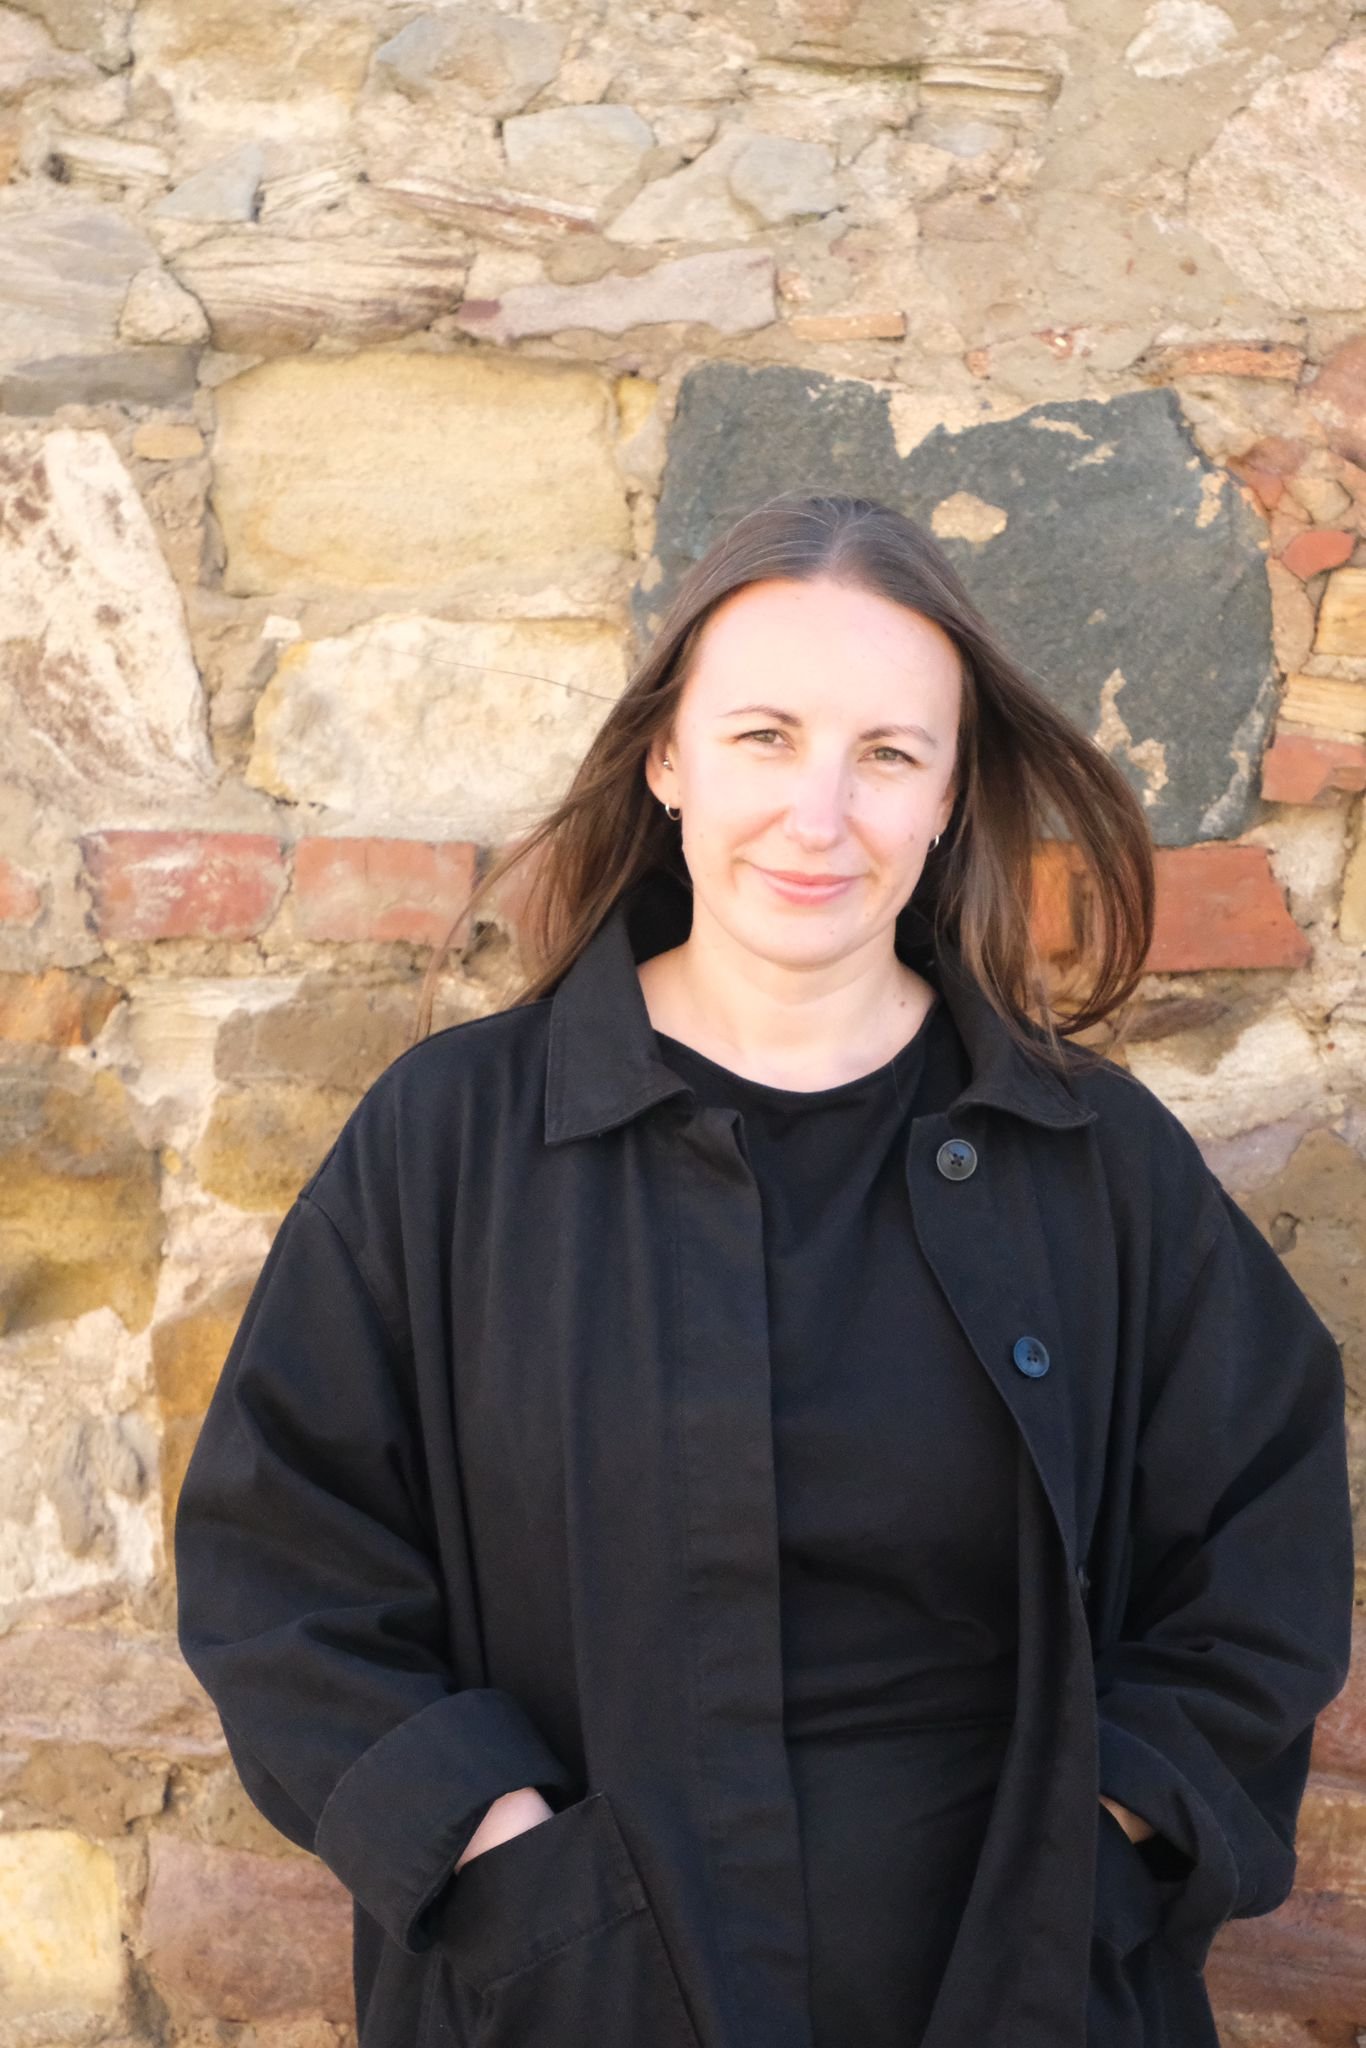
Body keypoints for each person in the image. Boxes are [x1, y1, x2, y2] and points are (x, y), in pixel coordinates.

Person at [174, 492, 1354, 2048]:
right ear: (666, 757)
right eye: (763, 738)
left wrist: (1113, 1845)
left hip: (1014, 1988)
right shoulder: (453, 1141)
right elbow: (285, 1560)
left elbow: (1257, 1557)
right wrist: (496, 1855)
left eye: (886, 755)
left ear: (948, 796)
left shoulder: (1093, 1164)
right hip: (580, 1986)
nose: (821, 814)